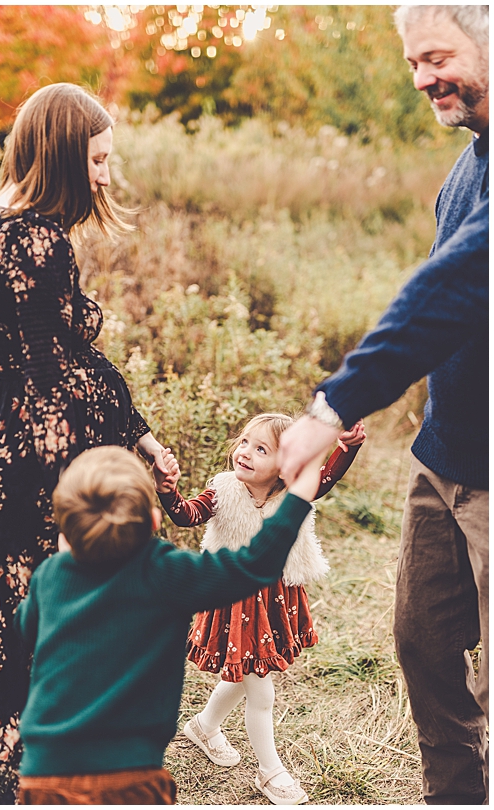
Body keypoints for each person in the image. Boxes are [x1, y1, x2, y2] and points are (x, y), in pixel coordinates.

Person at [276, 6, 488, 803]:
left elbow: (459, 284)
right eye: (411, 63)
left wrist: (332, 404)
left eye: (435, 57)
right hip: (441, 463)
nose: (421, 79)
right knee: (425, 649)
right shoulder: (467, 165)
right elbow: (441, 306)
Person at [0, 83, 174, 803]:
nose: (107, 176)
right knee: (48, 635)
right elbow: (62, 380)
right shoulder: (39, 240)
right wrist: (128, 452)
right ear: (61, 155)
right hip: (35, 466)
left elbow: (46, 360)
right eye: (99, 160)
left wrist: (137, 430)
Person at [13, 445, 328, 805]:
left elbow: (23, 638)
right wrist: (300, 492)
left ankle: (206, 726)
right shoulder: (165, 573)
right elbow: (255, 564)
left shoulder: (50, 576)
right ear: (154, 522)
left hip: (42, 771)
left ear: (64, 527)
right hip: (128, 774)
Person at [156, 414, 364, 804]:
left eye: (261, 449)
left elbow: (327, 476)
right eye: (245, 442)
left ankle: (204, 726)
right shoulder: (222, 490)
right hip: (234, 597)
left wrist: (347, 447)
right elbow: (185, 515)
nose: (246, 452)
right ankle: (271, 771)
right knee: (260, 689)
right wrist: (167, 489)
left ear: (285, 467)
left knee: (244, 672)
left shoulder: (295, 492)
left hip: (273, 599)